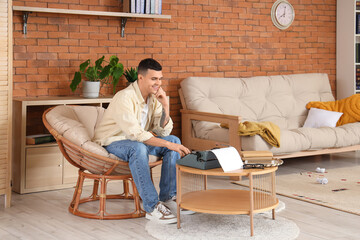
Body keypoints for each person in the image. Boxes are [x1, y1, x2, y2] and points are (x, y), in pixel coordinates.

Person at [94, 58, 191, 224]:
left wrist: (166, 106)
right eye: (154, 79)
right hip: (114, 141)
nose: (158, 83)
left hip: (137, 141)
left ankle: (168, 198)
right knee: (139, 147)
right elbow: (136, 135)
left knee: (173, 138)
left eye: (160, 79)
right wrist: (168, 144)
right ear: (140, 78)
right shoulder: (124, 97)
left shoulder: (154, 98)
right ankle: (152, 207)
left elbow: (163, 131)